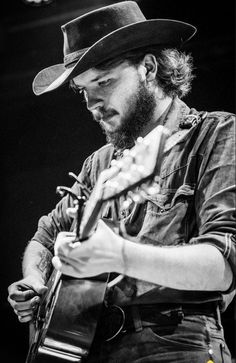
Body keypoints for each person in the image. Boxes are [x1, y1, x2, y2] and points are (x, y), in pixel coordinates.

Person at [7, 1, 235, 362]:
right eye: (82, 90)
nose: (91, 103)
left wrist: (121, 256)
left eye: (104, 81)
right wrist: (36, 282)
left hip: (176, 345)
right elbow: (43, 239)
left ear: (148, 68)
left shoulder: (216, 134)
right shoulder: (99, 164)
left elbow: (223, 267)